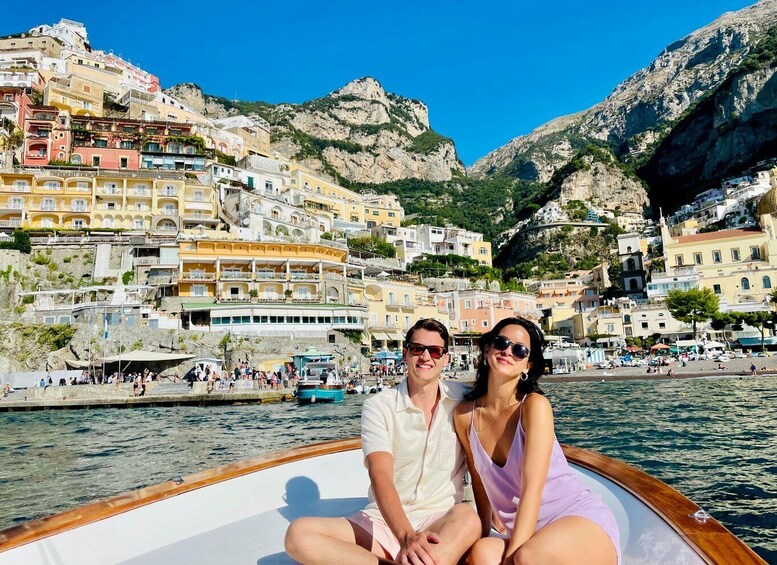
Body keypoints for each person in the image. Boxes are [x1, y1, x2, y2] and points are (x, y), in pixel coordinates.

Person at [285, 318, 480, 565]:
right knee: (299, 535)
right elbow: (380, 475)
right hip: (383, 523)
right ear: (406, 354)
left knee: (468, 518)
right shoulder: (379, 407)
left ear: (445, 358)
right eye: (417, 349)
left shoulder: (464, 398)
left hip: (440, 520)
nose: (425, 357)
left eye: (434, 351)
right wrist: (406, 536)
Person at [454, 317, 620, 565]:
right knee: (482, 553)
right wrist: (484, 532)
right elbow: (478, 480)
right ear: (488, 349)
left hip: (576, 519)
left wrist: (511, 558)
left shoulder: (534, 407)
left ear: (527, 366)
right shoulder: (465, 415)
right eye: (501, 343)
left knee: (527, 557)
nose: (508, 352)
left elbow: (532, 487)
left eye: (519, 350)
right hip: (529, 532)